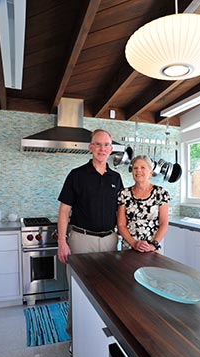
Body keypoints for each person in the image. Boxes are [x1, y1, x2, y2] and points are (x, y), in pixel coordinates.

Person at [57, 129, 124, 342]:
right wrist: (62, 241)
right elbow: (64, 211)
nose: (102, 149)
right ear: (90, 147)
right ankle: (75, 340)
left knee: (108, 292)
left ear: (111, 149)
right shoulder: (76, 175)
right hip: (81, 239)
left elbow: (122, 213)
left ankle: (100, 337)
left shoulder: (117, 178)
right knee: (78, 292)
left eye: (106, 145)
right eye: (98, 144)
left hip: (110, 241)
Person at [117, 155, 169, 252]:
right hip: (129, 248)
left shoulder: (160, 193)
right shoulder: (124, 194)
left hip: (152, 249)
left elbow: (164, 223)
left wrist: (153, 245)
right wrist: (134, 244)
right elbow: (121, 225)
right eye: (135, 168)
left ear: (150, 172)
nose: (138, 170)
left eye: (142, 167)